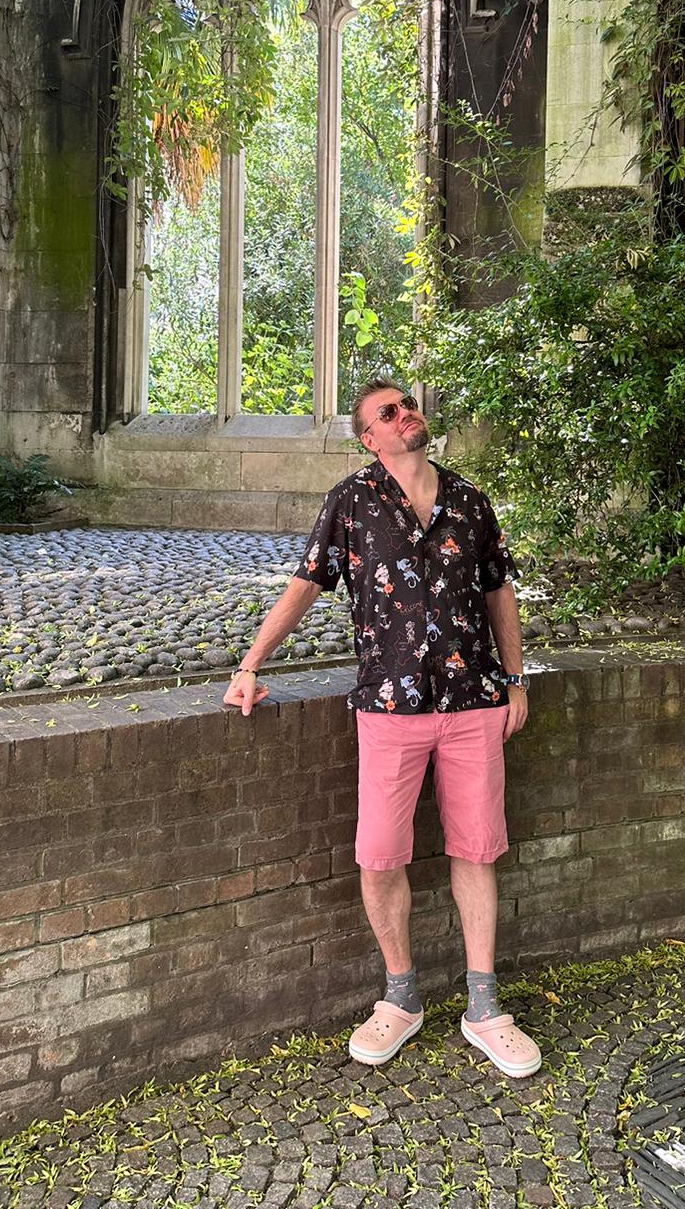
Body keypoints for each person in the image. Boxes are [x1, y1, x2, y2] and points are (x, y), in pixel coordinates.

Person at [224, 378, 541, 1079]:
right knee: (379, 856)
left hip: (472, 702)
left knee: (477, 851)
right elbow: (306, 583)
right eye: (388, 413)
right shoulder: (351, 502)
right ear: (370, 438)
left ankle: (484, 1007)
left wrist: (515, 679)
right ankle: (400, 997)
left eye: (408, 405)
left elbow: (499, 591)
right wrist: (250, 664)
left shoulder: (469, 501)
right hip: (390, 708)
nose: (405, 416)